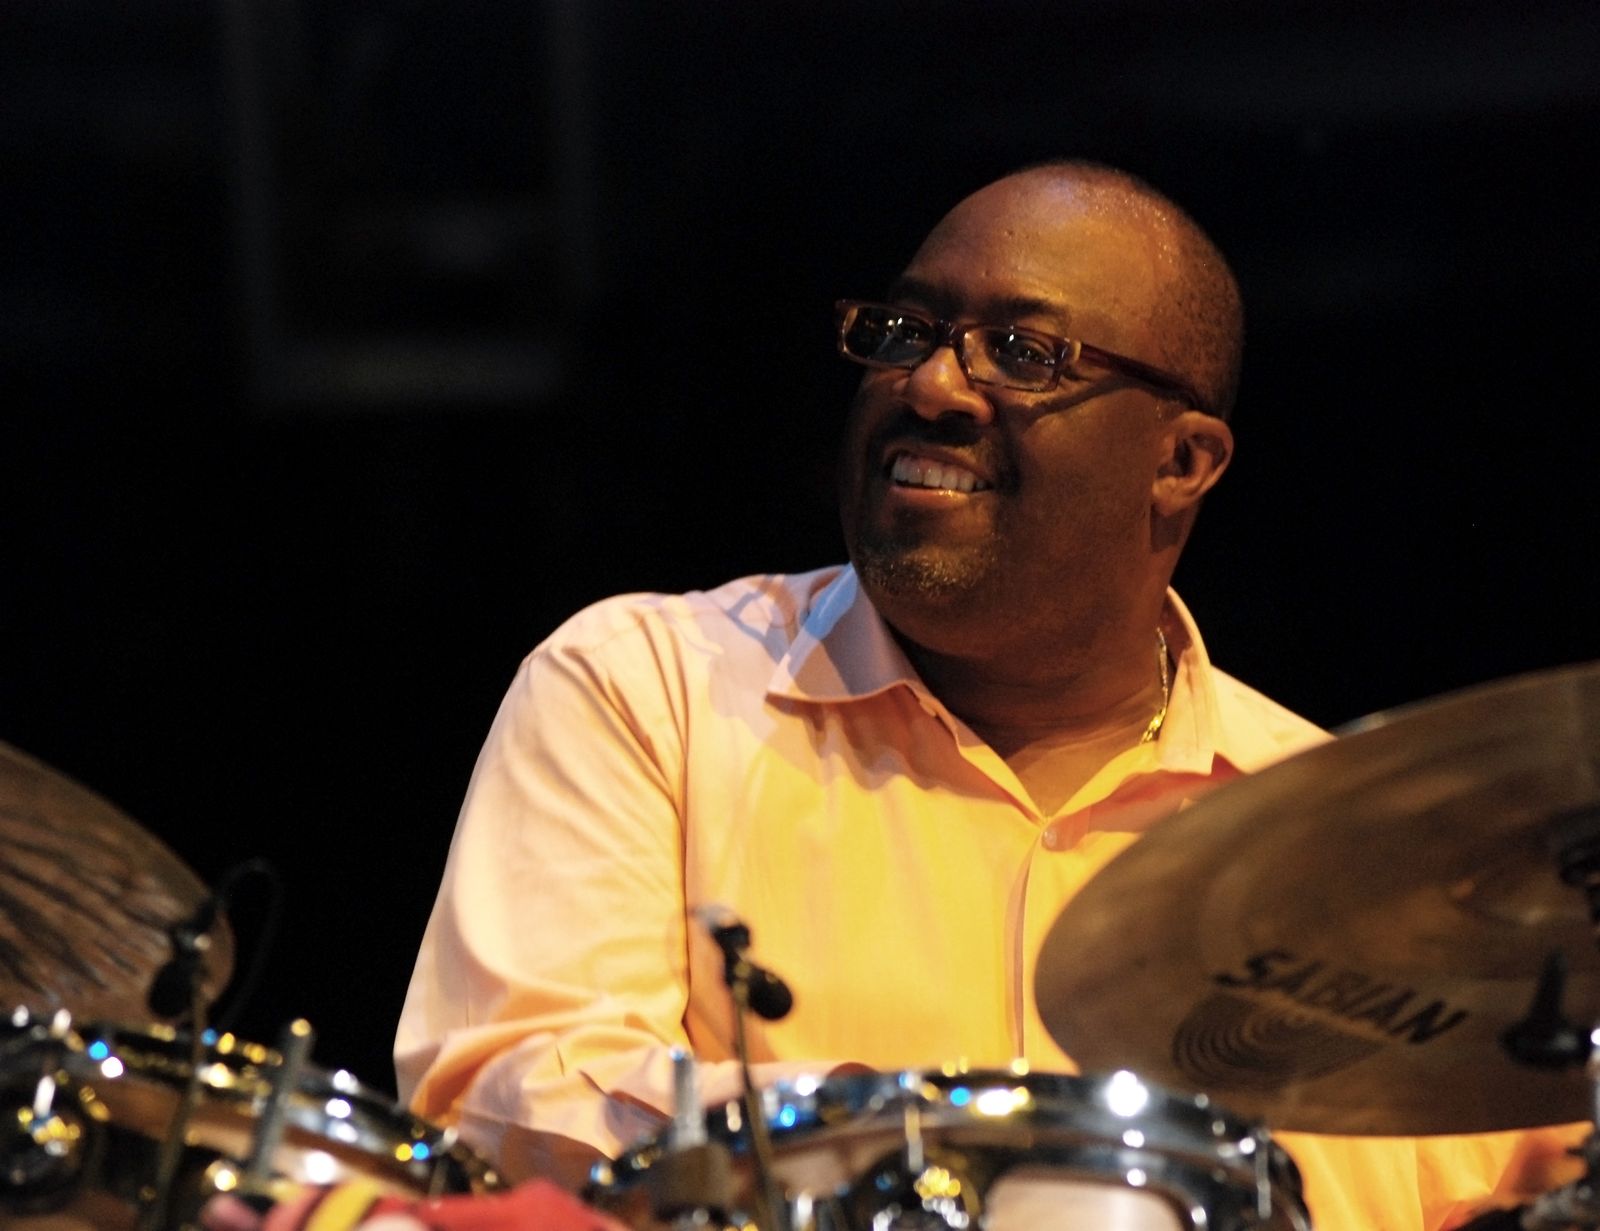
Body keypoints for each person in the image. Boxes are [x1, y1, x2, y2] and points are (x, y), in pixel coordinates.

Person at [392, 161, 1581, 1231]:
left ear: (1180, 462)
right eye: (905, 331)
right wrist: (959, 1165)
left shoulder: (1377, 857)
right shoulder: (650, 689)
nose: (931, 385)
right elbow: (509, 1103)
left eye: (1021, 352)